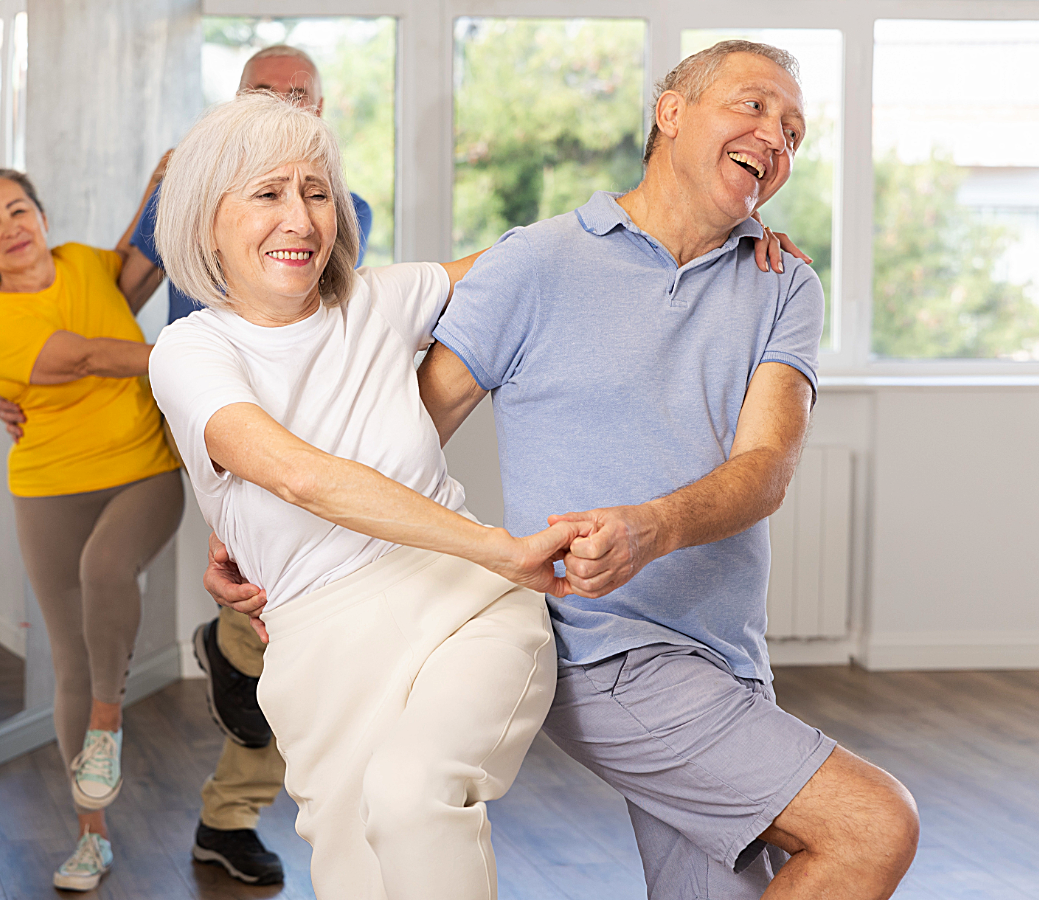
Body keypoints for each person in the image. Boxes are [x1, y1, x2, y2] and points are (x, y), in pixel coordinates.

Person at [212, 40, 920, 899]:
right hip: (605, 651)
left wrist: (652, 525)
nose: (776, 136)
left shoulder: (784, 284)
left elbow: (766, 468)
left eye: (795, 129)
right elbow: (403, 433)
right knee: (875, 824)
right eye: (754, 106)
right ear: (670, 111)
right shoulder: (540, 261)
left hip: (730, 657)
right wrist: (268, 542)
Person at [147, 91, 585, 900]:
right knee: (359, 878)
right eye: (269, 192)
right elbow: (297, 474)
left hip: (468, 607)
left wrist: (719, 228)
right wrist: (502, 544)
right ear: (206, 218)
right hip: (320, 650)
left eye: (317, 191)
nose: (302, 218)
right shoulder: (190, 350)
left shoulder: (381, 300)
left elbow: (546, 258)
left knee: (414, 801)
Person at [0, 44, 376, 886]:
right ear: (232, 103)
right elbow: (104, 303)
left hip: (285, 447)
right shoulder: (189, 198)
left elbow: (340, 324)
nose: (283, 107)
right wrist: (12, 374)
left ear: (321, 111)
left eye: (299, 96)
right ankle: (227, 682)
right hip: (196, 443)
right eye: (262, 93)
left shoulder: (343, 210)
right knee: (261, 623)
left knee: (277, 630)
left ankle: (230, 791)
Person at [0, 169, 184, 892]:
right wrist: (182, 361)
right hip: (49, 489)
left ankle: (107, 729)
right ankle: (91, 836)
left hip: (144, 471)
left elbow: (142, 257)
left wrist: (163, 175)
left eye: (19, 208)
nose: (10, 225)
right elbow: (88, 354)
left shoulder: (87, 262)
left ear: (43, 215)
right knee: (69, 661)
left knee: (106, 570)